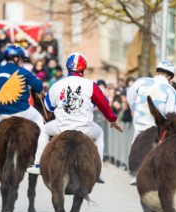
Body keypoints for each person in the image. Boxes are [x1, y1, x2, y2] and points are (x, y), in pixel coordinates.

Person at [33, 52, 123, 183]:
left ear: (68, 68)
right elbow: (105, 105)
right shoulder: (90, 84)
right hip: (85, 128)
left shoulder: (57, 85)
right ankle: (98, 170)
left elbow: (48, 107)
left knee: (45, 130)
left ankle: (37, 164)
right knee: (100, 134)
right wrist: (112, 119)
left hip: (60, 127)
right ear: (83, 69)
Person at [0, 45, 48, 174]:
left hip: (1, 113)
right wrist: (36, 80)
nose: (22, 62)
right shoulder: (22, 71)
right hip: (21, 110)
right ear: (15, 58)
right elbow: (39, 87)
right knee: (40, 119)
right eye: (22, 59)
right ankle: (38, 162)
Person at [127, 60, 176, 142]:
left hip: (138, 133)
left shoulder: (141, 82)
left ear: (157, 72)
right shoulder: (172, 91)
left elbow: (130, 96)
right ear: (170, 77)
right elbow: (171, 116)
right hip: (156, 136)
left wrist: (134, 110)